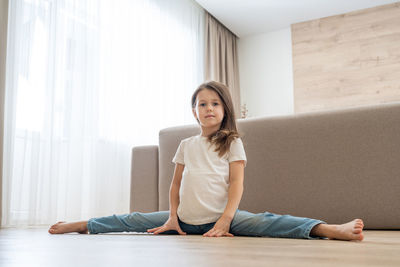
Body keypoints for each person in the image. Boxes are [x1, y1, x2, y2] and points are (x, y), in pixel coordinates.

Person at [49, 81, 364, 241]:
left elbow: (237, 184)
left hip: (221, 217)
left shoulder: (232, 142)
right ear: (194, 111)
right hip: (184, 220)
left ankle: (328, 230)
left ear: (224, 109)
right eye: (202, 104)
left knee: (269, 221)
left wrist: (226, 220)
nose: (208, 108)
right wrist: (172, 218)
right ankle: (84, 224)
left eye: (215, 103)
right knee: (134, 219)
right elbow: (175, 185)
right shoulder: (185, 144)